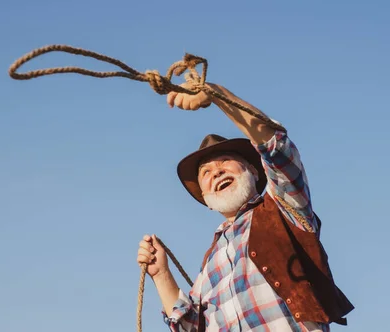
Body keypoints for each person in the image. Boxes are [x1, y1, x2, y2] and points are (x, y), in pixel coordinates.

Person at [136, 82, 354, 331]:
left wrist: (216, 94)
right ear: (206, 199)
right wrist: (161, 274)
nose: (216, 172)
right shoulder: (209, 265)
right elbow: (191, 327)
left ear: (254, 170)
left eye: (226, 161)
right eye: (205, 172)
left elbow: (277, 149)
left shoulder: (283, 208)